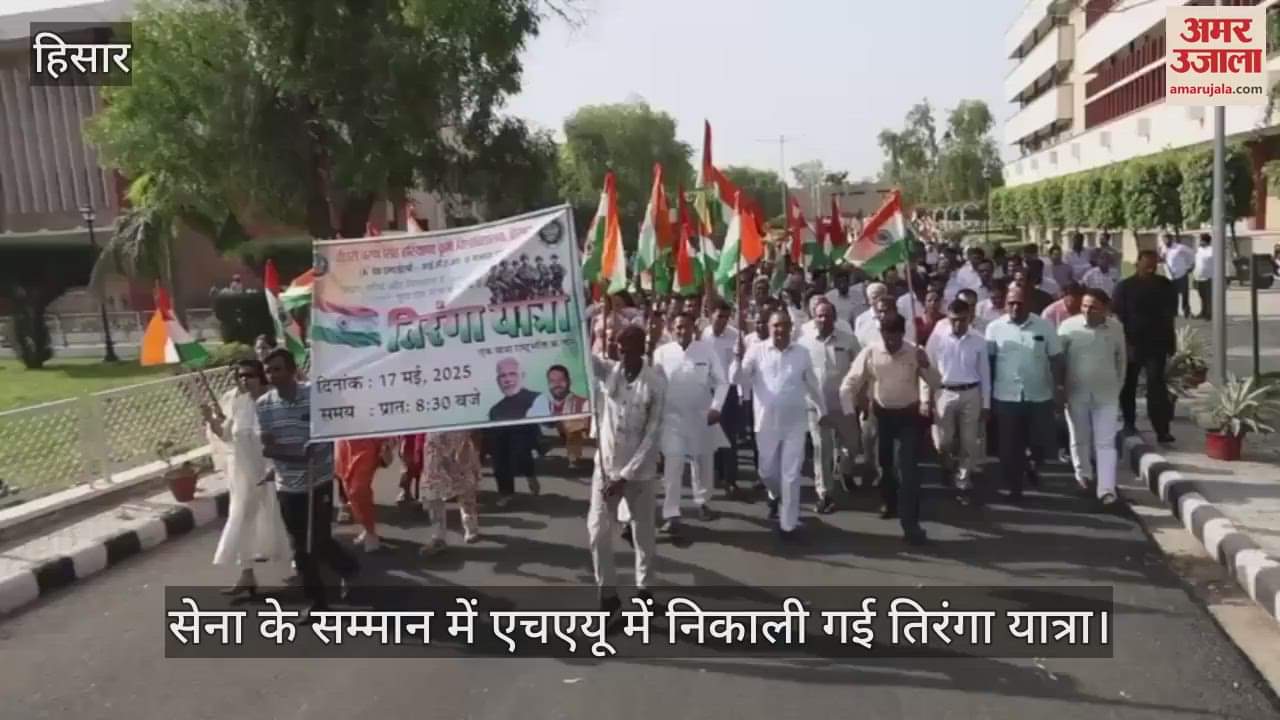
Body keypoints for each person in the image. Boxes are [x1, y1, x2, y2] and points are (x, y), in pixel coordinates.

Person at [257, 348, 358, 614]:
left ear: (291, 370)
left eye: (278, 368)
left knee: (320, 541)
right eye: (268, 370)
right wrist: (297, 455)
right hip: (287, 486)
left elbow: (333, 429)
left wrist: (309, 451)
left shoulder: (315, 396)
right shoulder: (264, 405)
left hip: (319, 481)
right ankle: (316, 602)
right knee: (299, 547)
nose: (272, 374)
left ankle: (347, 567)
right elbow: (268, 448)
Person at [587, 324, 666, 614]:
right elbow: (584, 356)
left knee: (642, 533)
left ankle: (645, 591)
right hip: (605, 470)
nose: (620, 352)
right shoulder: (609, 373)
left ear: (640, 348)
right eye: (617, 347)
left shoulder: (655, 383)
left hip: (639, 474)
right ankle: (608, 594)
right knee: (597, 532)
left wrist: (626, 476)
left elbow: (652, 435)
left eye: (626, 347)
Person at [840, 314, 939, 544]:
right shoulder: (871, 352)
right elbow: (850, 383)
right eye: (887, 339)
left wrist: (927, 366)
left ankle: (911, 524)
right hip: (882, 416)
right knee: (885, 465)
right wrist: (848, 414)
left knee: (907, 470)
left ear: (902, 335)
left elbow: (936, 383)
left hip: (908, 417)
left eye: (895, 339)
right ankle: (890, 501)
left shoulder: (915, 351)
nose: (891, 344)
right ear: (882, 334)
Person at [732, 310, 826, 542]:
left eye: (784, 325)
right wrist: (736, 358)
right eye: (776, 326)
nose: (780, 330)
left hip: (795, 423)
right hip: (765, 424)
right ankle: (775, 493)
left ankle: (788, 524)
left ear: (791, 327)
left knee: (791, 475)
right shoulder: (756, 350)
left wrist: (823, 410)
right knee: (766, 471)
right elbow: (737, 379)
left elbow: (812, 384)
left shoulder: (801, 353)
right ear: (769, 327)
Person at [201, 359, 291, 597]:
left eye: (249, 375)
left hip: (273, 472)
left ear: (261, 377)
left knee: (280, 518)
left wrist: (277, 468)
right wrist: (211, 418)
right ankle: (247, 573)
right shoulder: (238, 404)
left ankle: (300, 564)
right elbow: (227, 436)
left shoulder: (274, 401)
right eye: (240, 376)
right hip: (242, 474)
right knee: (240, 520)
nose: (244, 380)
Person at [985, 286, 1064, 503]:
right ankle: (1015, 488)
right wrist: (987, 395)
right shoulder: (994, 328)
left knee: (1039, 444)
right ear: (1004, 304)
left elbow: (1056, 358)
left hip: (1038, 395)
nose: (1015, 307)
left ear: (1028, 304)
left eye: (1019, 303)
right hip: (1006, 396)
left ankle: (1032, 462)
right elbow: (988, 363)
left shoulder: (1044, 326)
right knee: (1010, 446)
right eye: (1011, 303)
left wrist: (1059, 388)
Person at [653, 312, 729, 531]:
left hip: (701, 416)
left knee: (703, 462)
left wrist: (716, 407)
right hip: (672, 418)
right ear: (672, 328)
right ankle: (672, 513)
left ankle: (703, 502)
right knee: (673, 464)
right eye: (677, 327)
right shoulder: (662, 353)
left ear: (693, 328)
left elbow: (722, 382)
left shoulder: (706, 351)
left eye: (685, 327)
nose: (681, 331)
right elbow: (656, 386)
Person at [1058, 289, 1126, 507]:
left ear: (1105, 309)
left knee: (1105, 442)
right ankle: (1083, 476)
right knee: (1079, 437)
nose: (1087, 311)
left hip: (1106, 395)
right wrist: (1060, 390)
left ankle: (1106, 489)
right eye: (1084, 306)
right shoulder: (1068, 327)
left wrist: (1117, 387)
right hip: (1076, 393)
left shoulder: (1115, 328)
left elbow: (1121, 361)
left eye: (1093, 307)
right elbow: (1059, 361)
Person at [797, 298, 861, 514]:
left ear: (835, 318)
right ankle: (825, 493)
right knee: (821, 450)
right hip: (817, 406)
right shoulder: (804, 343)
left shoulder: (849, 340)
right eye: (820, 315)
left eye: (827, 315)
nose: (823, 319)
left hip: (844, 404)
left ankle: (844, 469)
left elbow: (859, 368)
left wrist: (861, 396)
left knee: (852, 446)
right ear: (814, 318)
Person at [925, 300, 991, 503]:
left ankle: (963, 481)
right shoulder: (937, 338)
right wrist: (925, 398)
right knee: (945, 441)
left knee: (969, 441)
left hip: (970, 392)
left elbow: (985, 374)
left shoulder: (979, 340)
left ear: (969, 318)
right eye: (953, 320)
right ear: (948, 318)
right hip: (944, 392)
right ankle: (946, 463)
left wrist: (986, 404)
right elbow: (927, 369)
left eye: (962, 320)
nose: (957, 325)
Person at [1113, 249, 1177, 444]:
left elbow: (1169, 316)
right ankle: (1129, 423)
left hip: (1156, 345)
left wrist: (1171, 343)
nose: (1150, 267)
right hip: (1132, 344)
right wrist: (1124, 344)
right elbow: (1118, 317)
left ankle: (1162, 430)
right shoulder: (1124, 287)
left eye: (1154, 264)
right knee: (1129, 386)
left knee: (1156, 386)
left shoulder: (1165, 285)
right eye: (1146, 263)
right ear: (1137, 263)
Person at [486, 357, 543, 505]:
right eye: (503, 376)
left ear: (521, 376)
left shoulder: (535, 398)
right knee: (499, 458)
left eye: (512, 374)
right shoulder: (495, 410)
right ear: (498, 380)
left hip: (523, 435)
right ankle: (506, 492)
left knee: (522, 455)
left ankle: (530, 476)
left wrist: (537, 445)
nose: (507, 379)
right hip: (502, 434)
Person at [417, 431, 483, 554]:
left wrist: (470, 438)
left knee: (465, 486)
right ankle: (438, 537)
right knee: (433, 488)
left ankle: (471, 525)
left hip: (460, 438)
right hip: (434, 443)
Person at [702, 301, 743, 494]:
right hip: (707, 391)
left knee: (729, 438)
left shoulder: (736, 336)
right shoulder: (703, 335)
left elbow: (737, 365)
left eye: (726, 317)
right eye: (720, 317)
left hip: (727, 392)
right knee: (710, 436)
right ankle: (716, 473)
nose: (723, 321)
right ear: (711, 315)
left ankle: (730, 479)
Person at [334, 437, 389, 552]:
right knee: (348, 488)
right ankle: (368, 529)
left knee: (358, 490)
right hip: (343, 439)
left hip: (367, 440)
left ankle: (371, 535)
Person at [542, 365, 591, 471]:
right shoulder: (542, 403)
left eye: (561, 380)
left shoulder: (582, 403)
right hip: (549, 434)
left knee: (574, 425)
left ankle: (574, 457)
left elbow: (586, 426)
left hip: (573, 432)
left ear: (569, 381)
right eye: (552, 381)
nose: (557, 384)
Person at [1160, 234, 1195, 319]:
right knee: (1172, 295)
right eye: (1163, 240)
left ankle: (1186, 311)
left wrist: (1190, 266)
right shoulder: (1163, 248)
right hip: (1170, 276)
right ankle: (1173, 312)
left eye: (1166, 240)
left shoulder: (1180, 248)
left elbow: (1192, 254)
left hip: (1181, 274)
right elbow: (1163, 260)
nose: (1165, 242)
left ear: (1171, 239)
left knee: (1184, 294)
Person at [1194, 233, 1214, 320]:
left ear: (1204, 241)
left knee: (1208, 296)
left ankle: (1209, 314)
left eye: (1200, 240)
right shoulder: (1199, 250)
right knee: (1202, 296)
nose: (1199, 242)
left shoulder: (1212, 250)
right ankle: (1203, 312)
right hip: (1198, 277)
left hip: (1209, 277)